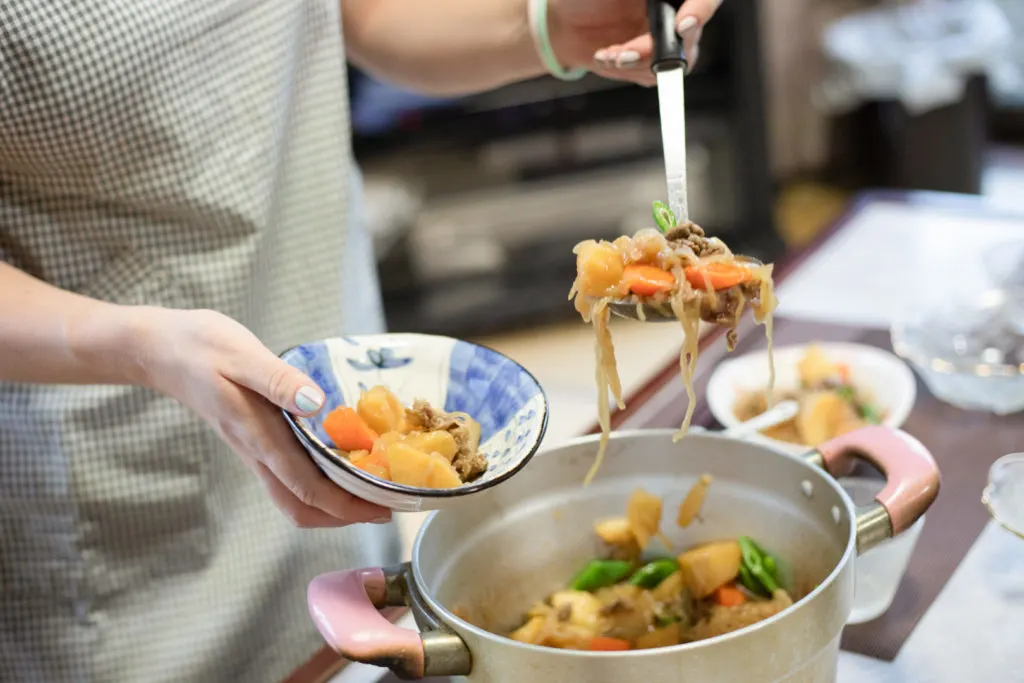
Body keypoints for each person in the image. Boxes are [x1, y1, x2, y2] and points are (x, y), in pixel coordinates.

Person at [0, 0, 723, 681]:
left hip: (337, 399)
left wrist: (553, 24)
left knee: (349, 636)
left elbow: (361, 13)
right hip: (111, 463)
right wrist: (137, 344)